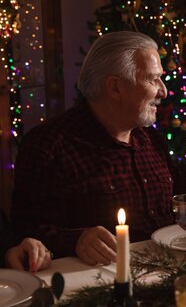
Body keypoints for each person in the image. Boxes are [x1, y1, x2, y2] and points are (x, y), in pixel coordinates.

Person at [11, 31, 176, 265]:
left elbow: (180, 204)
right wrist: (75, 240)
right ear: (115, 87)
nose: (163, 90)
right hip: (94, 289)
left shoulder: (152, 140)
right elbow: (23, 233)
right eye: (153, 79)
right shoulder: (49, 146)